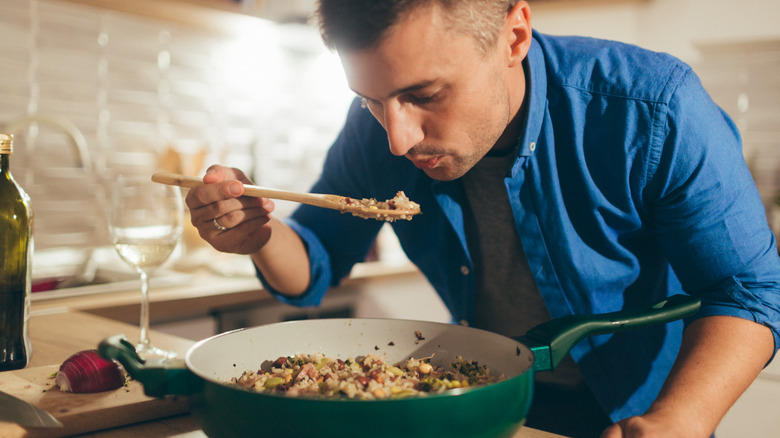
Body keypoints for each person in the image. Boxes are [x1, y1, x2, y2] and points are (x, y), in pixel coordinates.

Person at [184, 1, 780, 436]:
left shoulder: (652, 107)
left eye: (426, 95)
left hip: (634, 409)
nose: (397, 138)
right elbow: (312, 263)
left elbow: (747, 289)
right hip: (473, 399)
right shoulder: (378, 130)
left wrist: (681, 420)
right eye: (371, 100)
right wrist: (260, 237)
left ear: (514, 36)